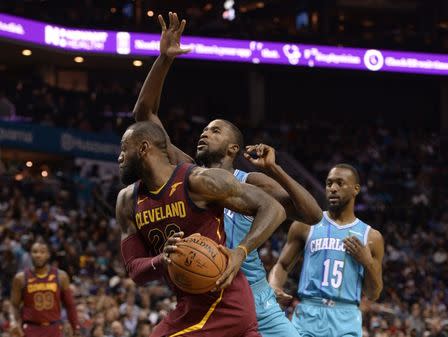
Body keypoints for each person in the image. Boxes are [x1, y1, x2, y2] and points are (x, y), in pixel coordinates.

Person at [132, 12, 322, 336]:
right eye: (204, 129)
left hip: (256, 298)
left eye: (216, 130)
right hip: (206, 298)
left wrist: (276, 169)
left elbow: (312, 213)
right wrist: (163, 59)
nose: (205, 133)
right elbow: (144, 115)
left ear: (234, 148)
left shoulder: (250, 182)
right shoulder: (189, 174)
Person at [117, 120, 286, 336]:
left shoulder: (198, 181)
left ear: (143, 149)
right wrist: (163, 258)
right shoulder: (127, 201)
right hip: (190, 305)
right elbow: (135, 270)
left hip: (225, 301)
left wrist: (241, 251)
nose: (119, 157)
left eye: (124, 148)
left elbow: (273, 208)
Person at [269, 164, 385, 337]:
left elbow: (373, 293)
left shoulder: (371, 237)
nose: (333, 188)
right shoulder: (306, 225)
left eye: (340, 183)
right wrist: (274, 285)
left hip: (346, 316)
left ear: (355, 189)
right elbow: (283, 265)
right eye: (329, 183)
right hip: (308, 312)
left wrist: (367, 262)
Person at [9, 240, 80, 337]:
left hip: (54, 328)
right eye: (35, 252)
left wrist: (75, 327)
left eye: (42, 252)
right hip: (30, 329)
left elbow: (70, 305)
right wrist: (14, 322)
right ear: (30, 254)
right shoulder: (20, 278)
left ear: (48, 255)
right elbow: (14, 305)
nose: (38, 255)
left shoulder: (61, 276)